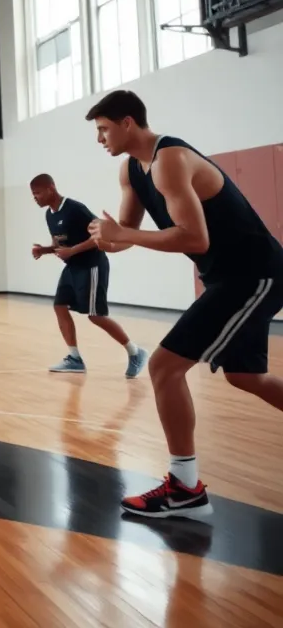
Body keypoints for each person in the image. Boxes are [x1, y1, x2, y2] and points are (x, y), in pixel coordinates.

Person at [84, 90, 283, 519]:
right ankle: (185, 488)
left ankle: (185, 488)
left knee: (163, 366)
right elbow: (127, 233)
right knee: (247, 377)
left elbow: (194, 238)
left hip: (254, 272)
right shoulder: (130, 171)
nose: (99, 138)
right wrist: (106, 238)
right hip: (228, 277)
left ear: (128, 123)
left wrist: (124, 236)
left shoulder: (169, 159)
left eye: (103, 129)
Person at [29, 174, 148, 377]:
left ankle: (135, 352)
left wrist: (72, 251)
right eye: (33, 195)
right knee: (59, 306)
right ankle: (74, 358)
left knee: (96, 316)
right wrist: (45, 250)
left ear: (51, 188)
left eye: (37, 193)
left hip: (92, 265)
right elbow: (60, 246)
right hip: (73, 267)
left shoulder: (75, 209)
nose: (35, 198)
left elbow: (98, 236)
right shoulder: (50, 215)